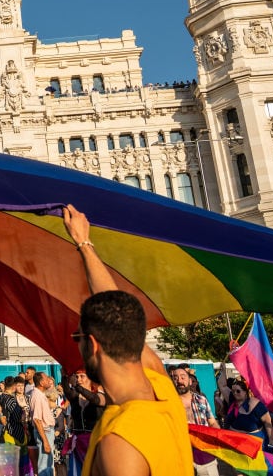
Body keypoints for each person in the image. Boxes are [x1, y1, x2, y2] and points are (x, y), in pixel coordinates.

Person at [63, 204, 192, 476]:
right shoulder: (161, 388)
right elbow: (115, 308)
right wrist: (84, 244)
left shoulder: (120, 443)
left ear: (93, 344)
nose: (76, 344)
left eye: (78, 337)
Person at [170, 367, 219, 476]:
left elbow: (212, 422)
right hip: (181, 458)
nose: (179, 380)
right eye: (175, 378)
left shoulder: (201, 400)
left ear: (190, 381)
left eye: (183, 377)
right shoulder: (169, 404)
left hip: (206, 455)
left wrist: (220, 437)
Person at [62, 371, 104, 476]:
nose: (79, 379)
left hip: (95, 441)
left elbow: (94, 399)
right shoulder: (75, 396)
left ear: (91, 379)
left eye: (82, 376)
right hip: (79, 442)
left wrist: (76, 385)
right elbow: (67, 391)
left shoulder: (100, 396)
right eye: (76, 377)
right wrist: (64, 376)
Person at [29, 373, 55, 476]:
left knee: (48, 464)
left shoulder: (40, 394)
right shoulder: (37, 396)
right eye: (46, 378)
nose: (49, 380)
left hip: (47, 431)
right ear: (41, 382)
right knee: (44, 466)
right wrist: (45, 441)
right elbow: (37, 420)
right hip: (44, 432)